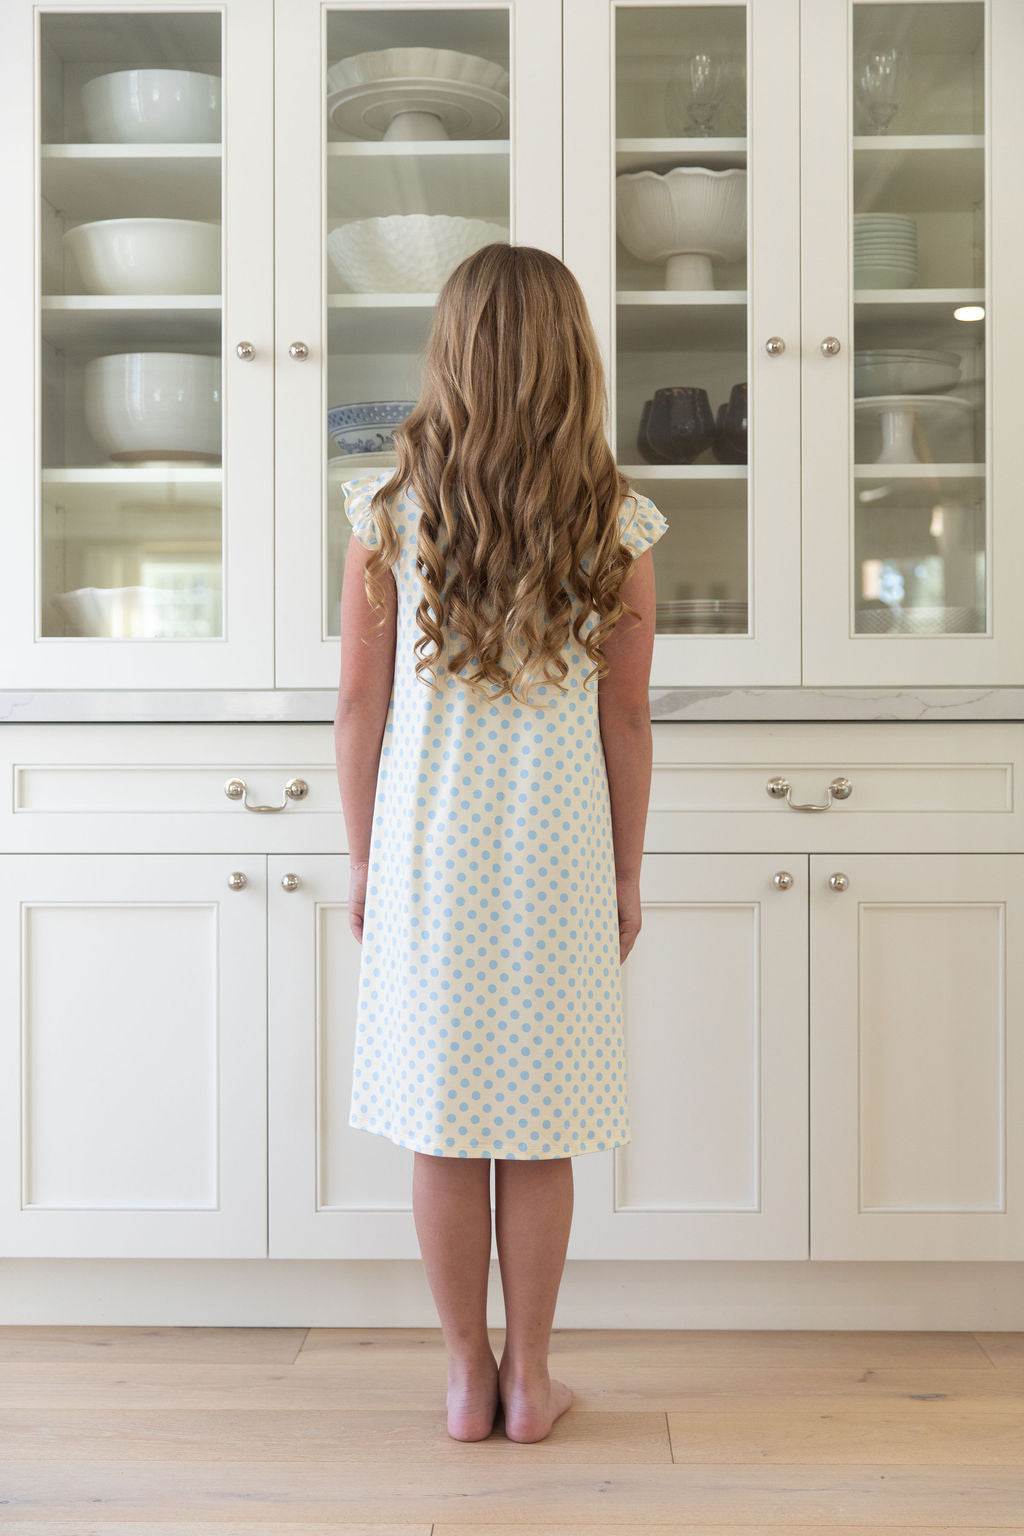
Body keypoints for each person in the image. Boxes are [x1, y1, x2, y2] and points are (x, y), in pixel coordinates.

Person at [333, 242, 668, 1446]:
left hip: (428, 862)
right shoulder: (613, 520)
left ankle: (463, 1376)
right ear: (572, 358)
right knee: (535, 1130)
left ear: (452, 354)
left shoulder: (387, 511)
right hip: (558, 867)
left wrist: (366, 859)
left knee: (442, 1125)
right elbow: (623, 715)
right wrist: (627, 873)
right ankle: (532, 1380)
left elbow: (358, 707)